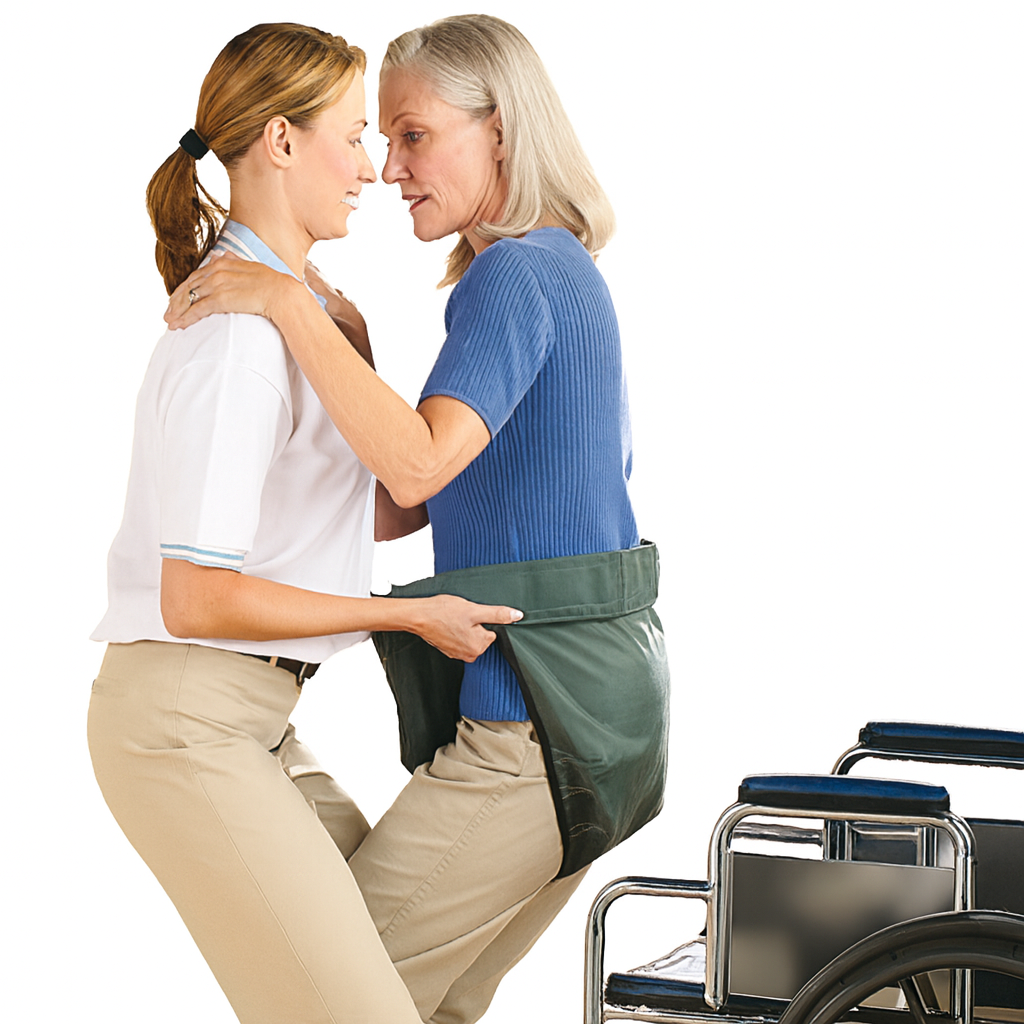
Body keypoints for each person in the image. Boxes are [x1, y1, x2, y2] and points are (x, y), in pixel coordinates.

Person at [166, 14, 670, 1024]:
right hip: (603, 721)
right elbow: (408, 505)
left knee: (324, 1002)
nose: (388, 166)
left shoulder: (513, 274)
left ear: (499, 131)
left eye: (411, 134)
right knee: (420, 1006)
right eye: (380, 138)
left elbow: (413, 461)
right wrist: (351, 348)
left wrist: (287, 304)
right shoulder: (552, 270)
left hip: (534, 725)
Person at [88, 22, 523, 1024]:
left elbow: (388, 507)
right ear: (280, 142)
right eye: (355, 134)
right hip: (182, 725)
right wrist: (403, 619)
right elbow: (195, 597)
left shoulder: (296, 317)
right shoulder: (236, 337)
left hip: (253, 721)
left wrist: (355, 354)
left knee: (411, 983)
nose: (373, 167)